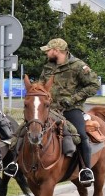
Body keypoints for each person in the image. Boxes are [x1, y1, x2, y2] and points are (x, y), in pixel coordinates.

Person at [42, 38, 98, 185]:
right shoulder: (48, 67)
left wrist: (73, 99)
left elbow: (93, 85)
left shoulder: (78, 66)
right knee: (28, 128)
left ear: (57, 51)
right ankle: (16, 163)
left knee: (80, 135)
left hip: (71, 109)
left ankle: (86, 169)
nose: (47, 53)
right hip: (49, 109)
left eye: (48, 50)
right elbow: (41, 85)